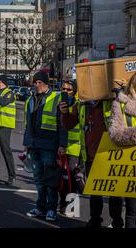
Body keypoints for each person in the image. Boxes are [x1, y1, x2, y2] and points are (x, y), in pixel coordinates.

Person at [61, 95, 124, 228]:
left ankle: (117, 221)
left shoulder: (111, 101)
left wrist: (119, 96)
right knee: (95, 191)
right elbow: (69, 124)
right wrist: (64, 113)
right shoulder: (81, 104)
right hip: (91, 155)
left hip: (110, 154)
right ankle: (95, 220)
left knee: (115, 192)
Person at [23, 71, 67, 222]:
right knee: (38, 179)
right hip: (34, 145)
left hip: (49, 145)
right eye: (35, 83)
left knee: (51, 180)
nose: (37, 85)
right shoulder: (30, 99)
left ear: (46, 83)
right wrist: (26, 144)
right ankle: (40, 207)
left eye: (39, 83)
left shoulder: (57, 98)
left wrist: (62, 144)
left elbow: (62, 124)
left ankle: (51, 209)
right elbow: (27, 124)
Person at [108, 70, 136, 228]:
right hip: (131, 166)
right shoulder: (120, 104)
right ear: (132, 87)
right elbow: (114, 134)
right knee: (133, 212)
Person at [57, 80, 80, 215]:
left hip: (75, 148)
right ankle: (62, 204)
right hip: (61, 147)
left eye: (69, 90)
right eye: (63, 89)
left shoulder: (78, 105)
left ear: (75, 91)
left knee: (73, 181)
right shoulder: (59, 104)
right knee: (62, 180)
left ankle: (72, 208)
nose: (65, 92)